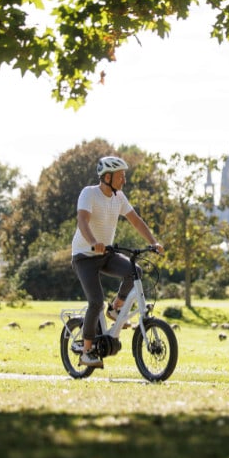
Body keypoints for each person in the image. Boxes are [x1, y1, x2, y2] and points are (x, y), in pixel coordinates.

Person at [71, 156, 164, 368]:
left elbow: (136, 221)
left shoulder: (119, 197)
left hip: (105, 254)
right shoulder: (89, 193)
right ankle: (86, 353)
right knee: (95, 302)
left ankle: (116, 308)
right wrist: (94, 242)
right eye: (121, 176)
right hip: (85, 256)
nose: (124, 180)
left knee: (135, 271)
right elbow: (83, 221)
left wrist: (153, 242)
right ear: (107, 177)